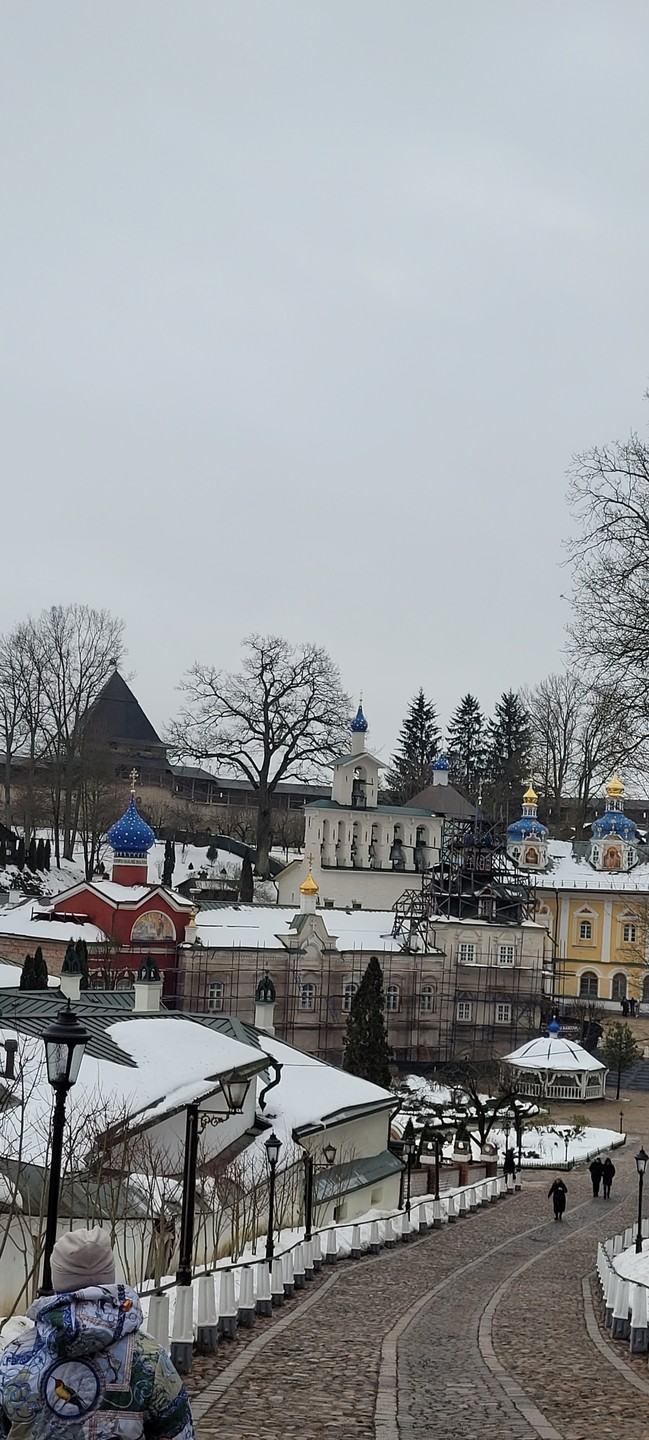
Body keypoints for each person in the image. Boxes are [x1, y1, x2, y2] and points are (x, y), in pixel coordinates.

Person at [0, 1227, 195, 1439]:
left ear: (57, 1279)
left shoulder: (13, 1358)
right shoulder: (149, 1359)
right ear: (109, 1276)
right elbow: (178, 1431)